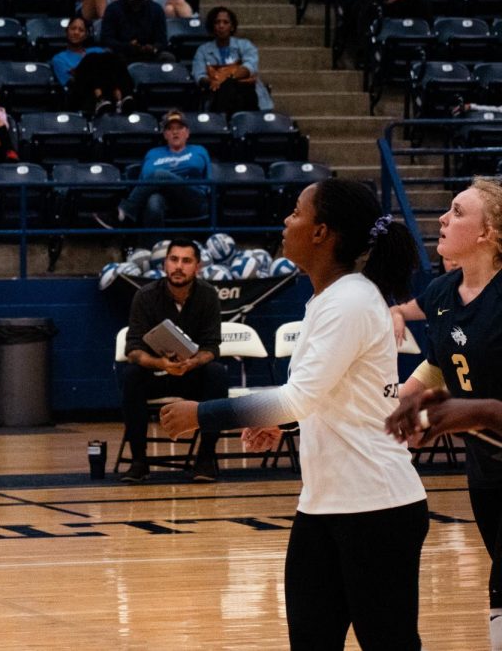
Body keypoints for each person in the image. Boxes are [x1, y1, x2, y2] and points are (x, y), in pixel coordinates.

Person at [161, 177, 428, 651]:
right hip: (324, 504)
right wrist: (280, 420)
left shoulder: (349, 301)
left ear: (322, 232)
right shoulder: (331, 299)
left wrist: (202, 413)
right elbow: (320, 396)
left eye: (296, 213)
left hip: (377, 505)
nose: (287, 221)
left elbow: (298, 397)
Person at [383, 178, 502, 650]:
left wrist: (463, 410)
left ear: (487, 233)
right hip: (486, 467)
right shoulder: (442, 293)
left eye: (456, 212)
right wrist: (401, 406)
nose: (443, 219)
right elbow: (438, 362)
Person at [118, 238, 225, 482]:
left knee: (217, 373)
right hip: (156, 374)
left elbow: (212, 347)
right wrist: (162, 364)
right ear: (165, 264)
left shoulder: (208, 296)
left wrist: (193, 362)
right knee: (131, 375)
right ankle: (139, 461)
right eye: (173, 259)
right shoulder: (145, 296)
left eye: (186, 261)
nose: (179, 266)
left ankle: (205, 459)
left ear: (197, 266)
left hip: (191, 375)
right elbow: (133, 349)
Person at [110, 110, 210, 232]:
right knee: (154, 201)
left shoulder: (199, 151)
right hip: (165, 200)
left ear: (187, 132)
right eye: (170, 129)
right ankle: (153, 247)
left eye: (179, 128)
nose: (175, 132)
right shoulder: (153, 153)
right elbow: (146, 177)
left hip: (193, 199)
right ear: (164, 134)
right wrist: (170, 177)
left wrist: (166, 176)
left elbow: (209, 178)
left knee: (160, 174)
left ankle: (125, 212)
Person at [191, 7, 273, 116]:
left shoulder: (245, 45)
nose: (221, 26)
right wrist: (216, 80)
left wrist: (220, 75)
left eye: (225, 22)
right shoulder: (203, 50)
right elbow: (199, 75)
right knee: (225, 87)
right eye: (217, 22)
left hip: (247, 95)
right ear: (212, 26)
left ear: (232, 26)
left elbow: (249, 67)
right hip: (216, 95)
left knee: (230, 85)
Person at [50, 15, 129, 116]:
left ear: (86, 34)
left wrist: (78, 70)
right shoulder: (59, 59)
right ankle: (100, 99)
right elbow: (70, 82)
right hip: (82, 95)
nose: (76, 32)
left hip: (108, 89)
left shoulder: (97, 50)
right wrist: (85, 69)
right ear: (67, 31)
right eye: (73, 28)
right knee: (91, 59)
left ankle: (122, 98)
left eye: (81, 30)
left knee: (114, 57)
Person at [98, 0, 171, 66]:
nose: (138, 2)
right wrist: (127, 46)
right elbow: (106, 39)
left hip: (149, 55)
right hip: (121, 53)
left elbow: (162, 40)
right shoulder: (113, 9)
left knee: (168, 58)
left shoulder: (156, 10)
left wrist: (153, 48)